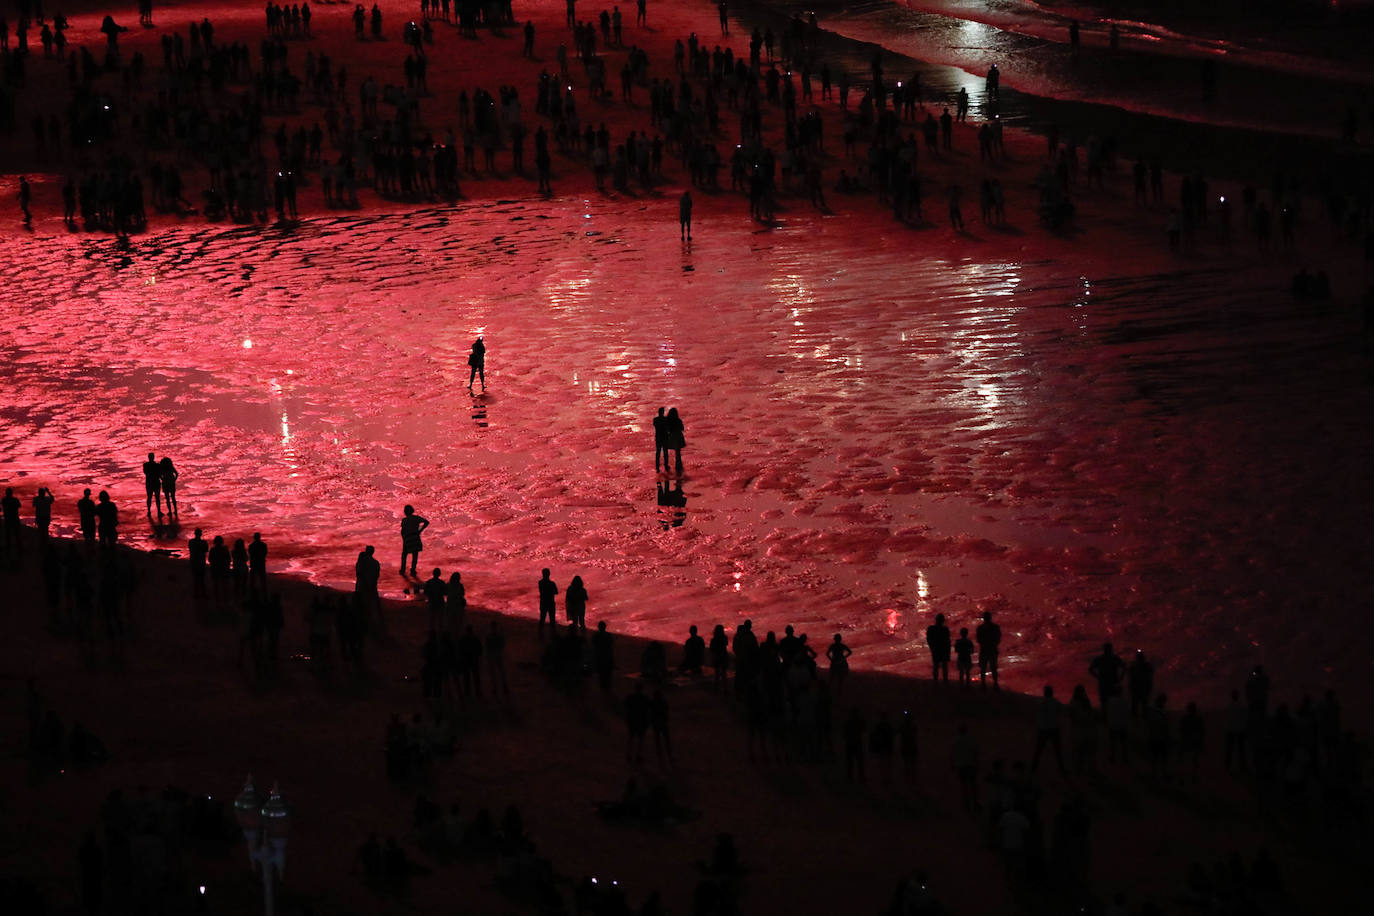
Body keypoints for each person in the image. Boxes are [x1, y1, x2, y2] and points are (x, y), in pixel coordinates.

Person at [1088, 642, 1125, 712]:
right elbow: (1124, 667)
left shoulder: (1101, 659)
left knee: (1105, 703)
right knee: (1111, 702)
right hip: (1112, 683)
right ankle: (1111, 719)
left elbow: (1090, 669)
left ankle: (1105, 719)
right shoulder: (1114, 658)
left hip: (1104, 684)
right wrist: (1121, 678)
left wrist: (1098, 677)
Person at [399, 505, 429, 576]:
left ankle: (403, 569)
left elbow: (403, 531)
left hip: (407, 538)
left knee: (404, 554)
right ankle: (413, 570)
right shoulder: (416, 518)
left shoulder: (404, 520)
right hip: (415, 537)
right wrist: (420, 530)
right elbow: (426, 522)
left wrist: (404, 538)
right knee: (415, 555)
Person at [975, 611, 1001, 689]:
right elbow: (998, 638)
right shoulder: (995, 627)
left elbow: (978, 639)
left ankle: (983, 684)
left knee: (983, 668)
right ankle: (995, 684)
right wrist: (994, 644)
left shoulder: (980, 628)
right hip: (992, 649)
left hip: (984, 649)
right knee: (993, 667)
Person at [925, 613, 951, 682]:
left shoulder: (931, 629)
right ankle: (945, 680)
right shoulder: (945, 629)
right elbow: (947, 640)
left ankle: (936, 680)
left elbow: (929, 639)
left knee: (936, 665)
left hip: (936, 649)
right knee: (944, 666)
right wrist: (948, 651)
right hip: (943, 650)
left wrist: (932, 647)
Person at [537, 568, 559, 636]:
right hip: (550, 602)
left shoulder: (540, 583)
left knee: (542, 618)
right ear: (549, 574)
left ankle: (540, 633)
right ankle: (552, 633)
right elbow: (556, 592)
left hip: (543, 602)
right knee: (552, 619)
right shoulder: (552, 583)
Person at [188, 528, 209, 597]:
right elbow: (206, 550)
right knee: (202, 578)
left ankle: (196, 593)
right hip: (201, 561)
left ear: (195, 534)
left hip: (194, 561)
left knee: (196, 578)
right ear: (200, 534)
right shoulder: (203, 542)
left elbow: (190, 549)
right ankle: (203, 593)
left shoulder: (191, 542)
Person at [664, 408, 685, 475]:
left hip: (671, 437)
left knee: (666, 452)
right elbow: (682, 428)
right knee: (678, 452)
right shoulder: (678, 420)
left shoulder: (667, 420)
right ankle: (678, 465)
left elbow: (666, 429)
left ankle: (666, 466)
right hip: (678, 436)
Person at [142, 451, 163, 517]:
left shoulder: (145, 465)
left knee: (149, 497)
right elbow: (160, 474)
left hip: (149, 482)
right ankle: (158, 511)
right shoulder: (157, 465)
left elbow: (145, 473)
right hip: (156, 482)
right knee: (157, 498)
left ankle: (149, 511)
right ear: (153, 457)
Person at [652, 407, 668, 472]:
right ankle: (666, 465)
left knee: (658, 452)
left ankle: (657, 466)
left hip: (658, 437)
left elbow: (655, 426)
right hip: (664, 437)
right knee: (665, 452)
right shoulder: (666, 419)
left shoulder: (655, 419)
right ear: (663, 412)